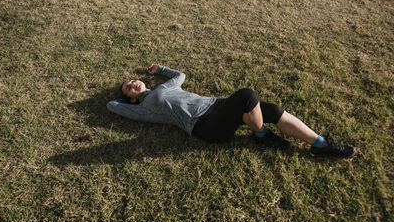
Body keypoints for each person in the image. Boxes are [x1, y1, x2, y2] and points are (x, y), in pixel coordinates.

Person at [107, 64, 356, 159]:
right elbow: (112, 106)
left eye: (132, 81)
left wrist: (159, 68)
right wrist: (122, 101)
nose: (132, 84)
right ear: (130, 98)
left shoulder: (163, 86)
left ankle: (320, 144)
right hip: (204, 126)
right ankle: (261, 135)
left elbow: (180, 75)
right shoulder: (144, 108)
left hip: (217, 105)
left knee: (273, 109)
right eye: (128, 88)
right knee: (247, 96)